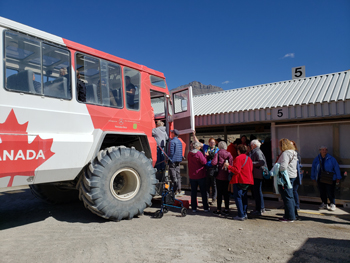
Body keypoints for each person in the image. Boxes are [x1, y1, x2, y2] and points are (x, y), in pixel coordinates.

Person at [223, 144, 254, 221]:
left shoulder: (238, 158)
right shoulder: (249, 158)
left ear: (238, 151)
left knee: (238, 197)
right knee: (244, 197)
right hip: (248, 180)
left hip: (240, 180)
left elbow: (236, 170)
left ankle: (241, 215)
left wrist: (228, 166)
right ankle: (244, 213)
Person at [311, 146, 341, 211]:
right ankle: (324, 203)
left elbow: (336, 168)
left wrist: (338, 177)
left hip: (330, 178)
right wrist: (313, 177)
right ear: (320, 151)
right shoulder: (316, 159)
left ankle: (332, 204)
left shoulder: (331, 159)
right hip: (320, 178)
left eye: (326, 150)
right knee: (322, 191)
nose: (324, 151)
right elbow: (313, 168)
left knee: (330, 191)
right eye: (323, 150)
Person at [193, 131, 219, 204]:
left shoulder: (217, 149)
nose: (212, 143)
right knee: (206, 184)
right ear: (209, 142)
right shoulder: (206, 147)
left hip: (214, 169)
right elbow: (197, 142)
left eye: (213, 142)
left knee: (214, 185)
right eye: (211, 142)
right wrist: (194, 135)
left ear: (215, 143)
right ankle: (206, 198)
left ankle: (214, 199)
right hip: (206, 169)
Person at [277, 138, 298, 222]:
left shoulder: (285, 153)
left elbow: (283, 166)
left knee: (287, 197)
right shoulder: (294, 152)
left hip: (286, 177)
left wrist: (277, 169)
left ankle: (290, 217)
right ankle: (293, 214)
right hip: (293, 175)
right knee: (290, 196)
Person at [211, 141, 233, 215]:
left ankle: (218, 209)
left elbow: (213, 163)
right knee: (226, 194)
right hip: (226, 176)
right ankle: (226, 209)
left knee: (219, 193)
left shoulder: (217, 153)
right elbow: (231, 164)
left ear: (219, 146)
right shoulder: (229, 154)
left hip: (219, 176)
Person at [187, 142, 209, 212]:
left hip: (192, 175)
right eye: (200, 146)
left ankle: (194, 208)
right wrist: (206, 156)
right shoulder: (199, 153)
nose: (200, 148)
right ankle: (205, 208)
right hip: (200, 175)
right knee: (203, 192)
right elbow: (204, 162)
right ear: (197, 147)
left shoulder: (189, 154)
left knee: (193, 192)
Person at [249, 139, 268, 216]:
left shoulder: (257, 151)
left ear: (254, 145)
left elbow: (262, 162)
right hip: (256, 174)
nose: (250, 146)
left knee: (258, 192)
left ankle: (260, 209)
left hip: (257, 174)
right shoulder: (256, 151)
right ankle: (259, 208)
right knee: (257, 192)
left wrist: (251, 163)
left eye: (251, 145)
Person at [168, 129, 183, 194]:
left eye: (172, 133)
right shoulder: (179, 141)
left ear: (174, 134)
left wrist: (168, 159)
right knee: (178, 174)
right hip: (178, 160)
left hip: (173, 160)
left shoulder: (172, 141)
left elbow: (171, 152)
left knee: (173, 175)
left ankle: (175, 189)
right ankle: (179, 188)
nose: (171, 134)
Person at [290, 140, 302, 211]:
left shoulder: (296, 153)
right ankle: (292, 205)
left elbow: (298, 164)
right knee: (291, 190)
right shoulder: (287, 153)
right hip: (292, 174)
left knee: (294, 190)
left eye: (292, 145)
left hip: (296, 174)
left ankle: (297, 205)